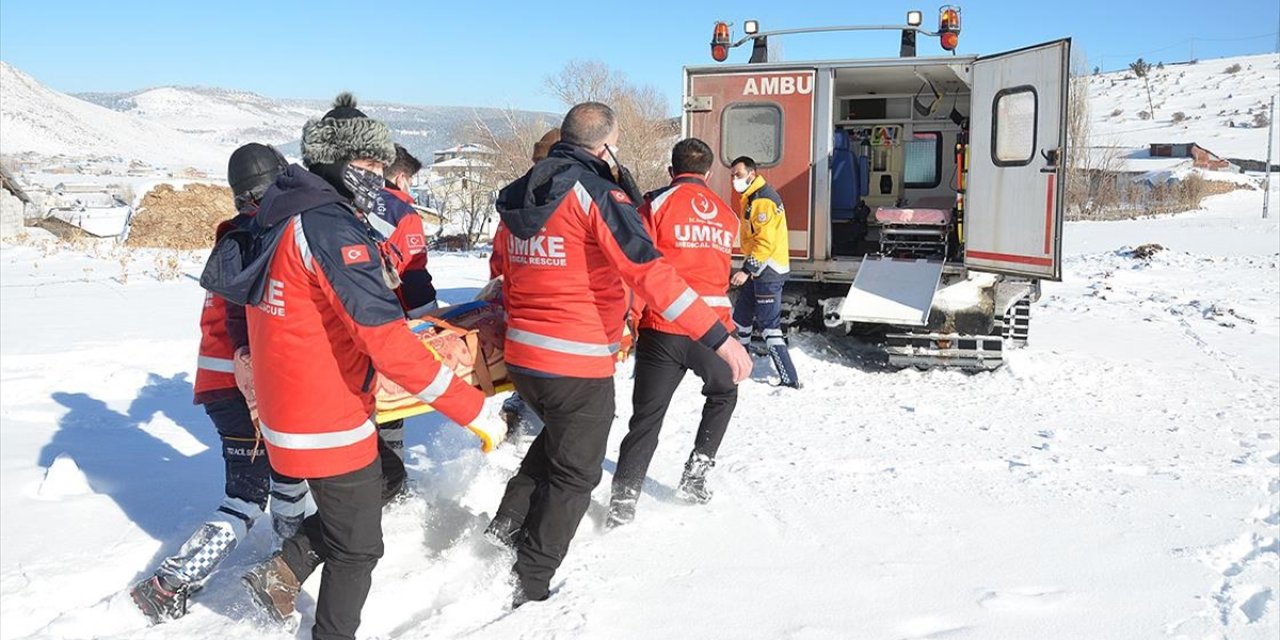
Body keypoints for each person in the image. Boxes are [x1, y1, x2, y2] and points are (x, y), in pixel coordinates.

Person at [219, 94, 504, 640]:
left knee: (378, 486)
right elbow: (387, 341)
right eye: (368, 165)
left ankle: (284, 570)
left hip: (291, 400)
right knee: (359, 548)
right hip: (324, 414)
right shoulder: (329, 226)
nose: (377, 176)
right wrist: (472, 410)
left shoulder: (281, 214)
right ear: (334, 160)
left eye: (381, 165)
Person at [483, 102, 752, 607]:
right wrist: (717, 337)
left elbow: (509, 270)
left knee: (557, 442)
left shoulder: (522, 192)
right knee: (578, 473)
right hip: (575, 356)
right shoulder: (596, 194)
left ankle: (505, 527)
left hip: (525, 354)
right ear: (604, 145)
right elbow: (648, 271)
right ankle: (532, 582)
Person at [129, 142, 311, 624]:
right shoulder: (267, 240)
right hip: (247, 384)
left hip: (219, 382)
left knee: (285, 477)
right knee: (250, 494)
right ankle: (171, 583)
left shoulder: (233, 238)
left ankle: (280, 564)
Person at [607, 138, 740, 527]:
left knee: (647, 418)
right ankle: (696, 474)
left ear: (671, 169)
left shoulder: (654, 206)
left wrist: (629, 321)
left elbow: (637, 265)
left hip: (663, 326)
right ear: (710, 173)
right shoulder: (727, 215)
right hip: (713, 330)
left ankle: (624, 500)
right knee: (724, 393)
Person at [367, 143, 434, 485]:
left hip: (342, 321)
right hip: (386, 321)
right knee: (391, 406)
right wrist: (435, 325)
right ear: (402, 178)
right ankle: (390, 482)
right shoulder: (403, 213)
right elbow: (414, 276)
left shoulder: (347, 201)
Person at [491, 128, 560, 440]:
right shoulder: (577, 200)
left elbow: (498, 261)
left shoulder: (515, 203)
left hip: (521, 316)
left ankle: (521, 405)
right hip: (561, 320)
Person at [729, 156, 801, 389]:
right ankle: (741, 365)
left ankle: (789, 378)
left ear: (752, 173)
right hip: (758, 267)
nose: (734, 180)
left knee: (769, 326)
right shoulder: (752, 196)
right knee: (741, 317)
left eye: (738, 175)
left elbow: (765, 243)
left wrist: (747, 270)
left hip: (767, 269)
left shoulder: (762, 201)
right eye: (732, 175)